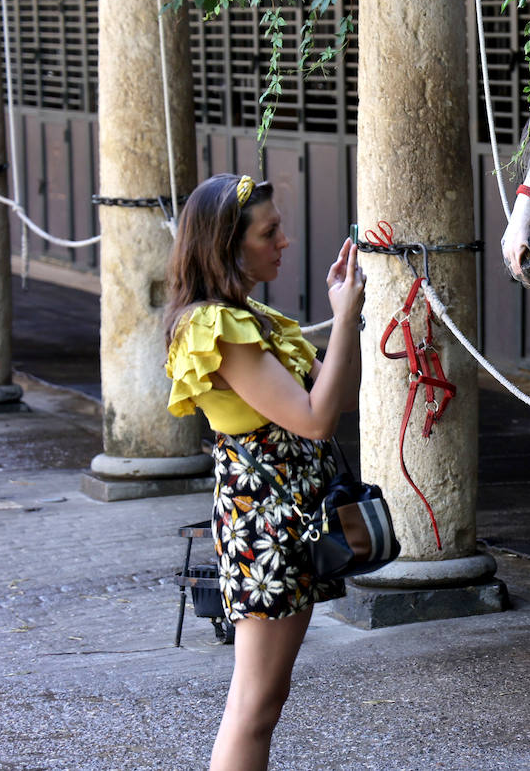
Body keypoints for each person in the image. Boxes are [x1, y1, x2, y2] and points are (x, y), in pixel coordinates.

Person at [163, 173, 365, 771]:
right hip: (265, 522)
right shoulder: (215, 327)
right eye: (269, 232)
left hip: (288, 518)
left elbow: (339, 393)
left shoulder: (251, 317)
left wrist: (348, 315)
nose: (284, 241)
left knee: (265, 700)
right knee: (253, 704)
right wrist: (343, 318)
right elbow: (316, 420)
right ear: (227, 246)